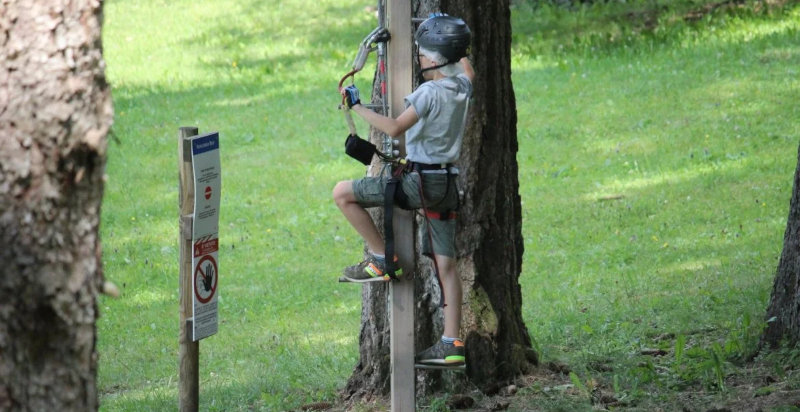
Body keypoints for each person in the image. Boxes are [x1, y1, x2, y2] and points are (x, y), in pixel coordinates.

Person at [333, 14, 473, 366]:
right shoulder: (462, 86)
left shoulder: (429, 93)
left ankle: (382, 258)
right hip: (446, 185)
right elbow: (466, 67)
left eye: (423, 54)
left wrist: (358, 106)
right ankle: (452, 342)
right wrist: (454, 40)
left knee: (342, 193)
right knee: (446, 265)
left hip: (419, 184)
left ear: (435, 60)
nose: (420, 59)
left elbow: (395, 128)